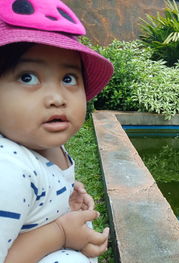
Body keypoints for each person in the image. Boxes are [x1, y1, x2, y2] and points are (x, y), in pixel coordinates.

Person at [0, 0, 114, 262]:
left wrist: (64, 203)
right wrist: (62, 233)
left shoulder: (46, 145)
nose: (56, 98)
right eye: (28, 77)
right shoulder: (7, 171)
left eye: (68, 79)